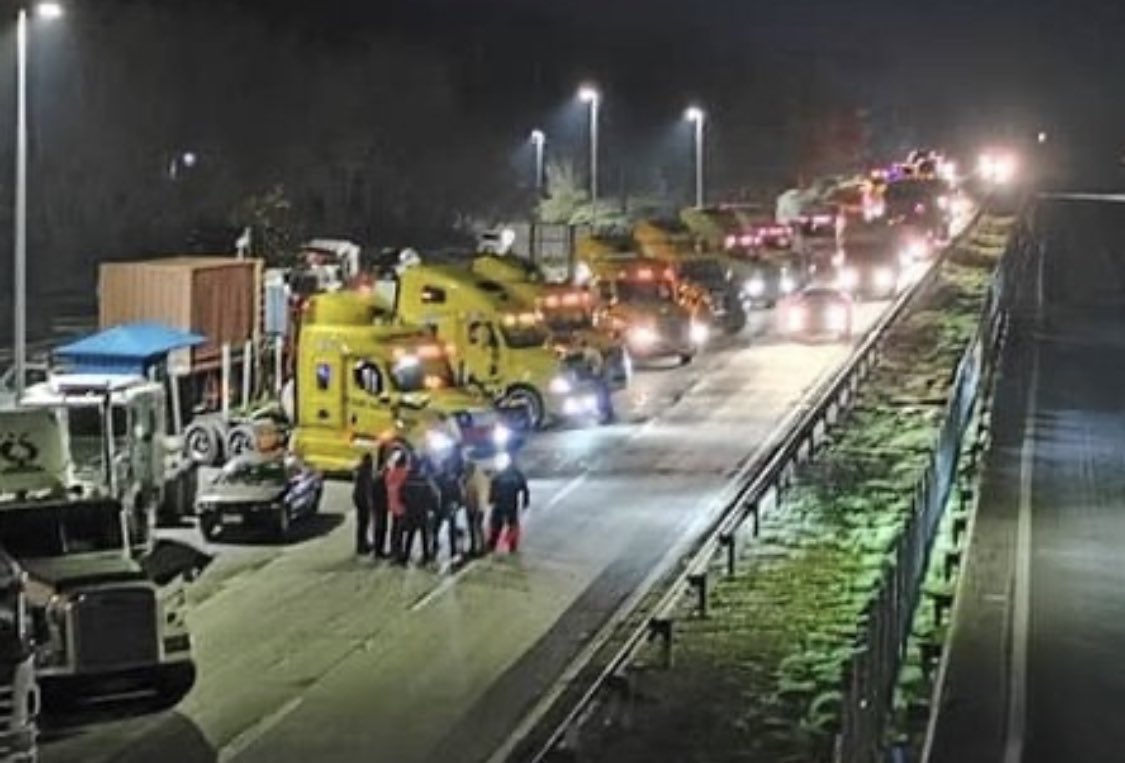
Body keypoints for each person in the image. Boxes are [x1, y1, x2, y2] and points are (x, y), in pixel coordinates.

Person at [487, 454, 530, 553]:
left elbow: (524, 488)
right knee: (499, 524)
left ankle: (508, 545)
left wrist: (525, 501)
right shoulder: (511, 473)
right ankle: (495, 544)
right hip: (504, 503)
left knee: (508, 524)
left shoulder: (512, 474)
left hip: (507, 503)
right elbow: (493, 487)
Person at [400, 460, 440, 565]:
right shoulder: (425, 480)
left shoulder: (407, 480)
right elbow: (433, 495)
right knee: (424, 535)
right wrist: (433, 508)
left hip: (411, 511)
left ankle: (406, 555)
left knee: (410, 534)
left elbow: (402, 495)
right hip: (422, 511)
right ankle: (426, 556)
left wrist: (406, 505)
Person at [429, 451, 464, 562]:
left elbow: (432, 492)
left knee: (438, 529)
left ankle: (435, 548)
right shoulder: (451, 480)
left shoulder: (438, 478)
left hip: (442, 507)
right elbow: (458, 495)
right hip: (447, 507)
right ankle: (451, 550)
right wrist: (458, 505)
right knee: (448, 530)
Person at [384, 451, 410, 563]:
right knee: (400, 531)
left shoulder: (390, 473)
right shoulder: (405, 473)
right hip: (402, 505)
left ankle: (393, 550)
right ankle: (398, 554)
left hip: (392, 504)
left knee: (394, 529)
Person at [462, 458, 491, 557]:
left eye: (466, 468)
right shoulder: (469, 477)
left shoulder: (480, 478)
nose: (465, 470)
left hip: (477, 508)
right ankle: (473, 547)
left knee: (477, 527)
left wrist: (480, 508)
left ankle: (481, 548)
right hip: (470, 507)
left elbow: (482, 494)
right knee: (472, 528)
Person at [352, 453, 375, 555]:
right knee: (364, 524)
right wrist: (369, 502)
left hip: (358, 499)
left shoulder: (360, 470)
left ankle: (362, 544)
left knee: (361, 524)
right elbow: (367, 488)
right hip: (363, 500)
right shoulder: (366, 472)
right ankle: (362, 546)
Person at [371, 453, 390, 559]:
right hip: (380, 506)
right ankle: (378, 551)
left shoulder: (377, 477)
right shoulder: (381, 479)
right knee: (380, 527)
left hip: (379, 505)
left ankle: (378, 549)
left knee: (380, 527)